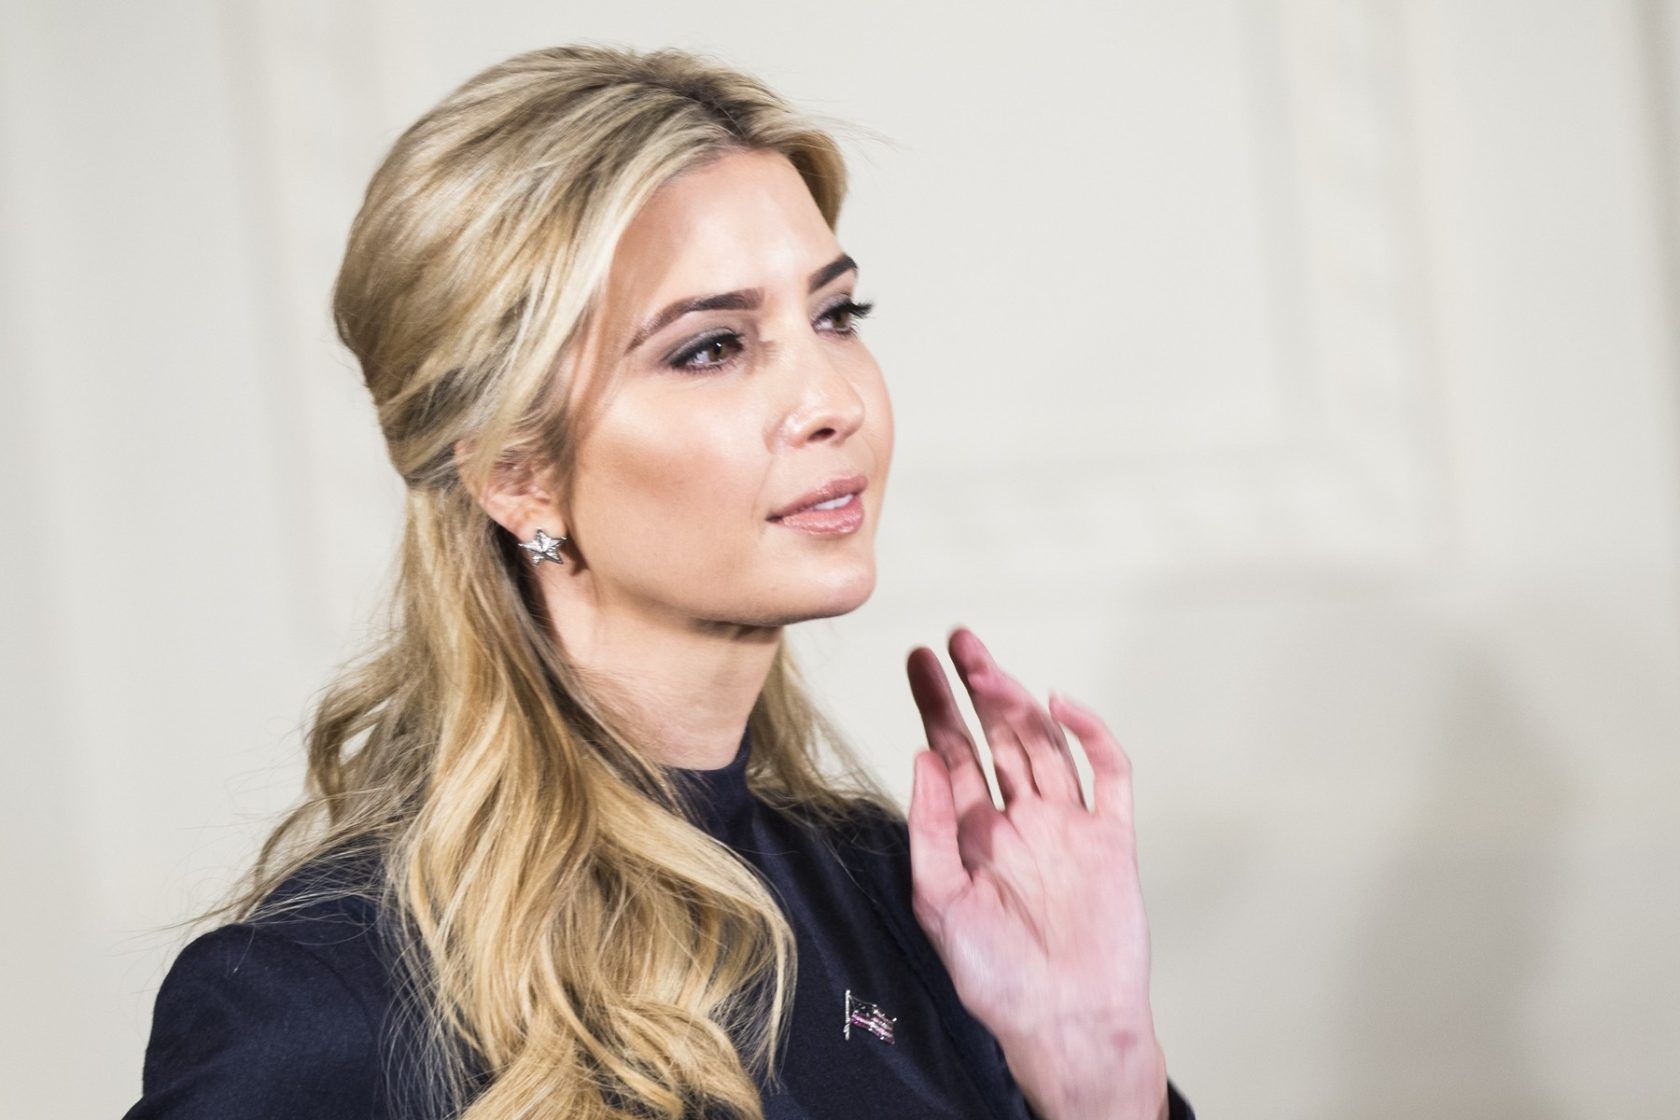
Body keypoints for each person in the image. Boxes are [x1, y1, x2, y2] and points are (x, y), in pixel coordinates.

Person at [122, 43, 1194, 1120]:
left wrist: (1097, 1065)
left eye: (836, 316)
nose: (832, 399)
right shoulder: (324, 1001)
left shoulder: (911, 902)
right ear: (516, 474)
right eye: (711, 347)